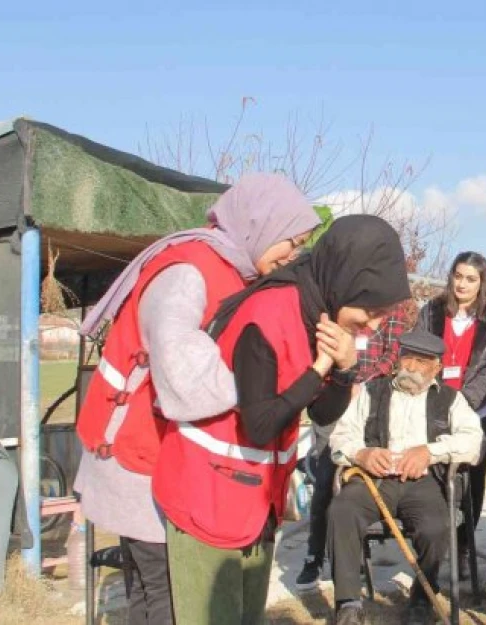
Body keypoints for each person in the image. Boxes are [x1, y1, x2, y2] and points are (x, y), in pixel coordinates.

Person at [73, 173, 320, 625]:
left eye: (301, 245)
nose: (293, 254)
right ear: (258, 225)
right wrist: (264, 382)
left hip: (159, 459)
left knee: (153, 598)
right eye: (290, 241)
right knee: (168, 599)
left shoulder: (229, 268)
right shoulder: (190, 273)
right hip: (142, 462)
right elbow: (183, 378)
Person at [151, 214, 411, 625]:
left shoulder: (318, 312)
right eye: (372, 309)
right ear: (346, 282)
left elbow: (321, 413)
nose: (375, 324)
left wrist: (343, 371)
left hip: (254, 501)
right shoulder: (268, 313)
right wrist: (320, 368)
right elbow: (260, 424)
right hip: (209, 496)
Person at [326, 330, 484, 625]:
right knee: (341, 511)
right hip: (375, 479)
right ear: (397, 360)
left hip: (423, 483)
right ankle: (348, 603)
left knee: (435, 526)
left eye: (421, 361)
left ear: (436, 367)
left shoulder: (451, 399)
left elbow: (473, 441)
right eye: (407, 358)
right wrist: (362, 454)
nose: (411, 367)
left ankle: (422, 599)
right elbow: (340, 436)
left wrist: (430, 452)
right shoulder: (372, 391)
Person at [296, 305, 408, 591]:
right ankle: (314, 556)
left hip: (369, 404)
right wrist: (342, 383)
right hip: (334, 398)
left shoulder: (394, 309)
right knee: (324, 482)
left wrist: (362, 384)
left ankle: (354, 557)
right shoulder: (338, 304)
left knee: (359, 481)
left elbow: (391, 355)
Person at [414, 251, 486, 568]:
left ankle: (464, 541)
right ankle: (434, 537)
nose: (463, 284)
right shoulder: (431, 313)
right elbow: (417, 354)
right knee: (434, 468)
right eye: (458, 276)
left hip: (479, 405)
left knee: (473, 469)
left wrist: (468, 396)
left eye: (471, 279)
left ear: (482, 282)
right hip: (435, 403)